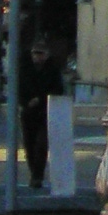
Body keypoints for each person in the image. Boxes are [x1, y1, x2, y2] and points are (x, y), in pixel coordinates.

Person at [20, 31, 67, 192]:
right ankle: (34, 173)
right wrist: (26, 102)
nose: (37, 56)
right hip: (28, 112)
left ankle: (38, 176)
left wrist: (40, 99)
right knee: (29, 145)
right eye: (35, 53)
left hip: (46, 112)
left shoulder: (52, 69)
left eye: (40, 53)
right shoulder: (25, 68)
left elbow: (58, 89)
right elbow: (18, 88)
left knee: (41, 144)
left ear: (46, 55)